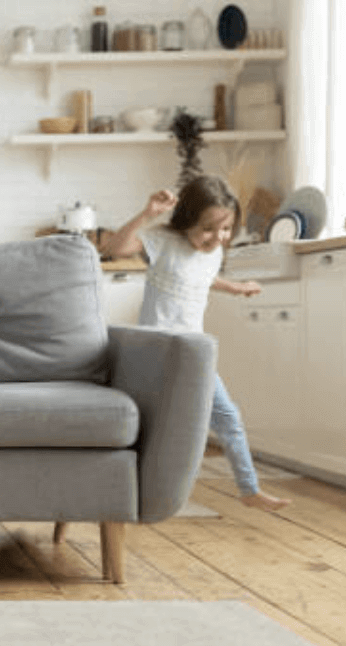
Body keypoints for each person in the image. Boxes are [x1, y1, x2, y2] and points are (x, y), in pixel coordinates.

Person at [105, 175, 292, 512]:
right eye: (208, 229)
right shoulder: (163, 241)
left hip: (193, 354)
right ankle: (123, 490)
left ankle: (249, 489)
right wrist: (147, 213)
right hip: (157, 352)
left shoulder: (213, 252)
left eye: (225, 229)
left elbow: (201, 277)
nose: (217, 238)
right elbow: (114, 249)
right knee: (146, 425)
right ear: (187, 220)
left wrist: (234, 287)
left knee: (228, 418)